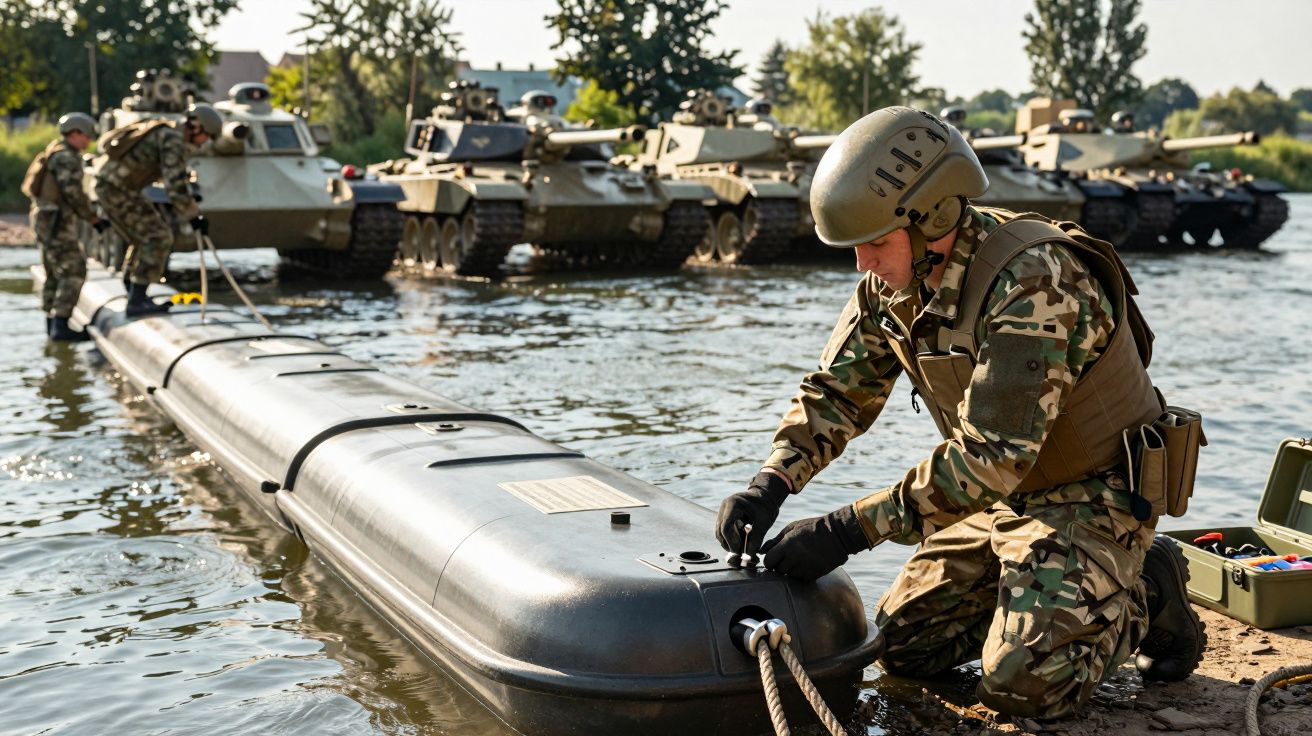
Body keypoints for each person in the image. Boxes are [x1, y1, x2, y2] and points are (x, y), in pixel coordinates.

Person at [715, 106, 1205, 720]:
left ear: (934, 217)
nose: (862, 265)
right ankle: (1039, 596)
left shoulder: (1035, 282)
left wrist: (846, 530)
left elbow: (991, 456)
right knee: (899, 648)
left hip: (1093, 498)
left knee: (1025, 687)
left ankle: (1145, 591)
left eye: (873, 244)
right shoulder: (894, 281)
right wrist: (772, 482)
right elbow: (837, 392)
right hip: (1000, 497)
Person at [94, 102, 221, 316]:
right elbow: (175, 186)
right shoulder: (174, 140)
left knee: (144, 237)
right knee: (158, 237)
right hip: (117, 189)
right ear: (197, 127)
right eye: (207, 136)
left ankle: (133, 289)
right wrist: (193, 215)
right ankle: (136, 301)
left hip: (116, 187)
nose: (205, 142)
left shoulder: (167, 132)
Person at [22, 113, 109, 340]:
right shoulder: (67, 157)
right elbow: (73, 194)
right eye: (86, 136)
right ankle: (61, 324)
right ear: (75, 133)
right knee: (75, 270)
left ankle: (51, 325)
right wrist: (93, 218)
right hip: (56, 222)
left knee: (53, 272)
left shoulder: (54, 151)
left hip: (45, 219)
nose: (88, 141)